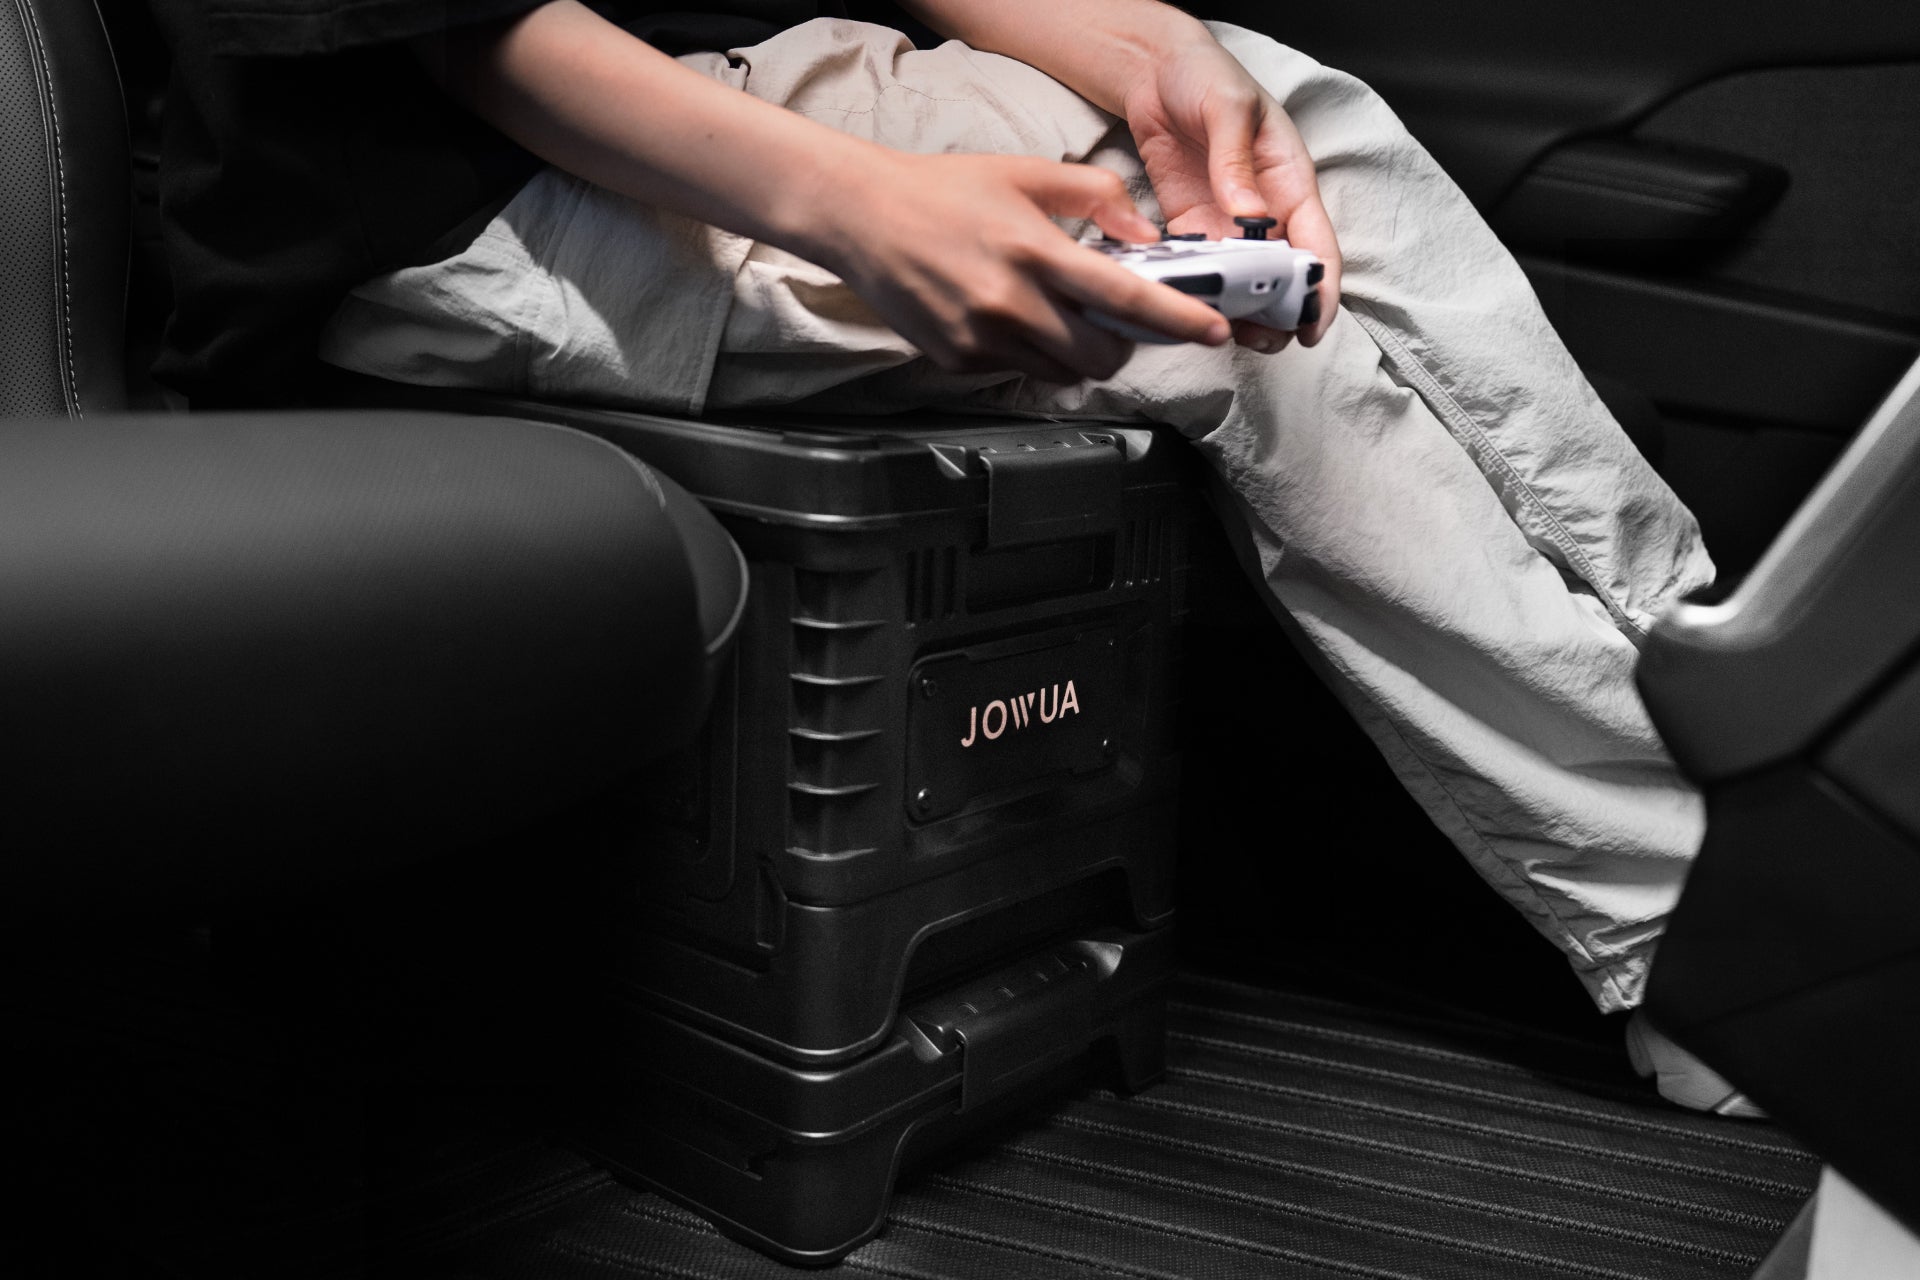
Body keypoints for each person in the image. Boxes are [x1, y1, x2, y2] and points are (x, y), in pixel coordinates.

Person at [144, 0, 1744, 1110]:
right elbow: (462, 31)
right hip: (445, 201)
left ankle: (1738, 694)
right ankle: (1718, 945)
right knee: (1218, 340)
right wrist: (868, 210)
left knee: (1299, 124)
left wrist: (1164, 59)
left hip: (719, 72)